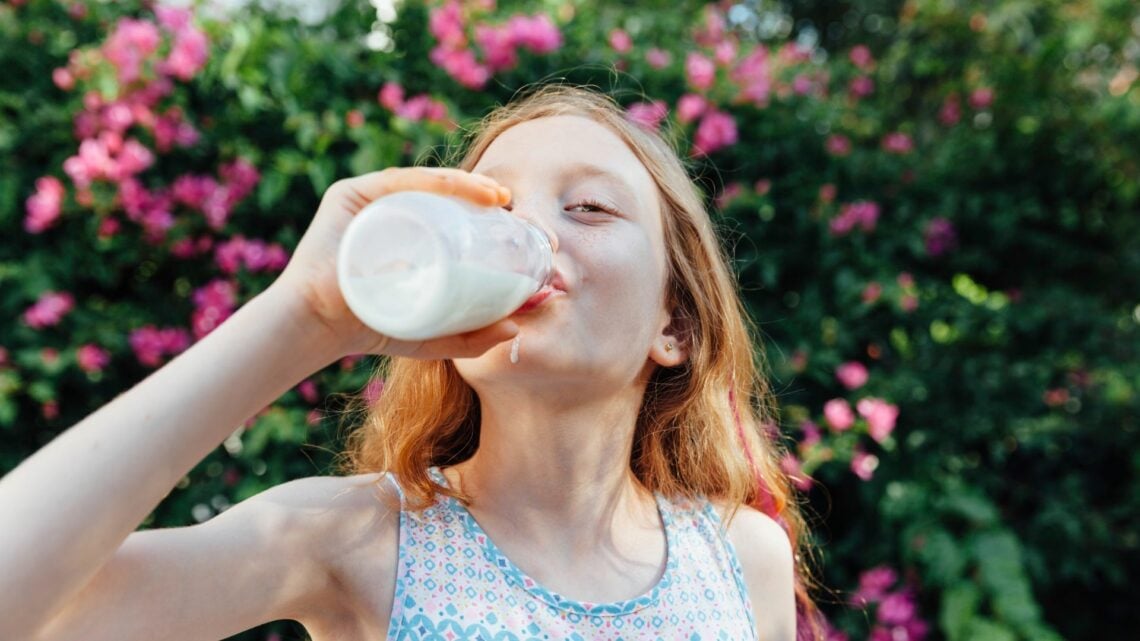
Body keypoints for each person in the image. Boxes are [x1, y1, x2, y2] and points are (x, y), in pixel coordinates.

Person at [0, 85, 814, 640]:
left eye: (589, 207)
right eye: (492, 202)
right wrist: (304, 316)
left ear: (672, 322)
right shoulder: (352, 540)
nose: (531, 230)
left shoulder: (742, 558)